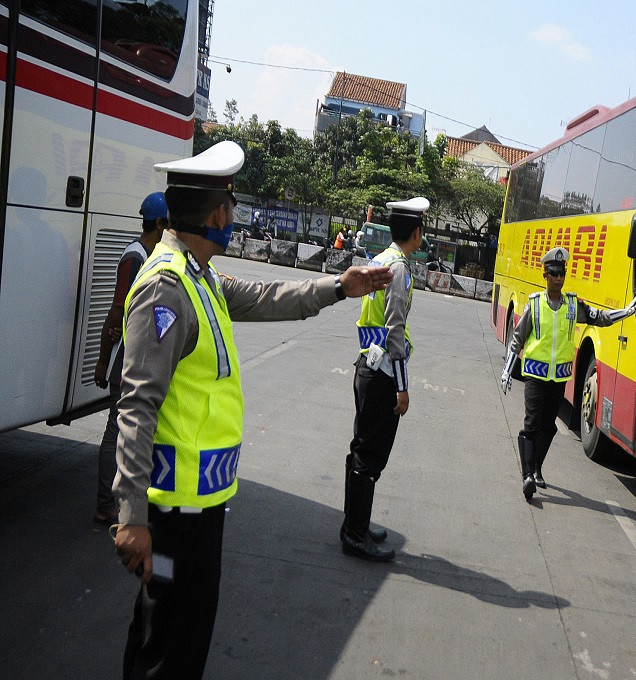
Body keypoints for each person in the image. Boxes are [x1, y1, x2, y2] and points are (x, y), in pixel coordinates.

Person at [112, 141, 393, 679]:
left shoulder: (199, 276)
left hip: (201, 507)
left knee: (181, 640)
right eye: (231, 205)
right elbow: (136, 406)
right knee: (164, 650)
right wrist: (130, 518)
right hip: (172, 516)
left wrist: (339, 286)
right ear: (218, 215)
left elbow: (266, 297)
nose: (233, 215)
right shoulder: (167, 288)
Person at [500, 247, 636, 500]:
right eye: (553, 273)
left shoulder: (573, 306)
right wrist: (507, 371)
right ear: (545, 275)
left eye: (561, 273)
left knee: (548, 427)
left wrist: (626, 312)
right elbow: (517, 339)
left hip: (559, 378)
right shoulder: (535, 305)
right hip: (535, 375)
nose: (558, 278)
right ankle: (527, 476)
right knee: (531, 425)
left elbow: (598, 317)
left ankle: (537, 467)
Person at [342, 196, 429, 562]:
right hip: (382, 374)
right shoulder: (399, 270)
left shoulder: (379, 260)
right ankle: (354, 535)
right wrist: (403, 387)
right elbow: (395, 330)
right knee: (370, 454)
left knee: (362, 449)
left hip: (367, 363)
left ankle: (356, 525)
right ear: (417, 233)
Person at [91, 192, 169, 525]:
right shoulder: (134, 257)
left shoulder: (152, 255)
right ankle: (105, 503)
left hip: (138, 358)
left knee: (131, 434)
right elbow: (116, 309)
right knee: (116, 432)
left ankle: (125, 499)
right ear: (159, 223)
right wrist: (102, 359)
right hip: (124, 358)